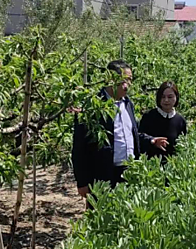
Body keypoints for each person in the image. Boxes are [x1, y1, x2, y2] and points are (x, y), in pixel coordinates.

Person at [71, 60, 168, 197]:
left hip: (128, 172)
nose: (128, 85)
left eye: (130, 80)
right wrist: (82, 182)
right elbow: (79, 147)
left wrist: (151, 141)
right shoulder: (92, 106)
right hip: (103, 174)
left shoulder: (128, 104)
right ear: (111, 79)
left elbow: (132, 134)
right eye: (124, 80)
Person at [139, 81, 187, 161]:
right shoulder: (149, 116)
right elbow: (139, 137)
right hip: (151, 164)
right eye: (163, 97)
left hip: (172, 165)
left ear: (176, 97)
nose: (166, 100)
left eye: (170, 97)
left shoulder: (180, 121)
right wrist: (152, 141)